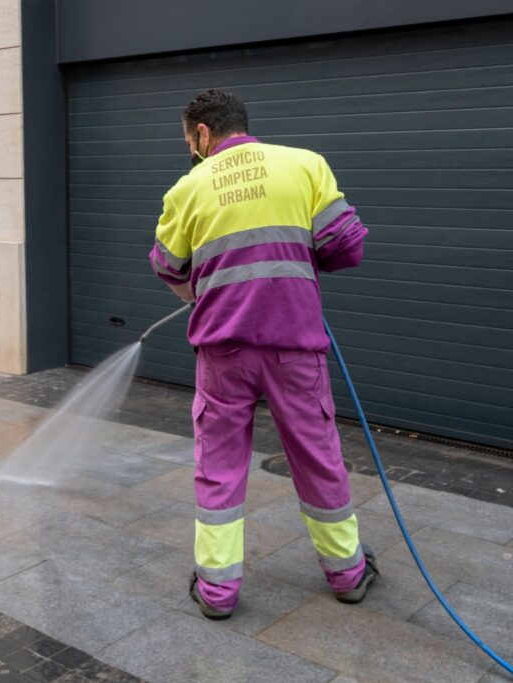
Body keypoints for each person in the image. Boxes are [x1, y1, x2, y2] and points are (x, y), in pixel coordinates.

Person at [149, 89, 376, 620]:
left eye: (189, 139)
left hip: (222, 353)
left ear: (202, 134)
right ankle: (347, 573)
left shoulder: (187, 189)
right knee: (318, 458)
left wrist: (202, 293)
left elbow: (167, 266)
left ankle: (217, 592)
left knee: (219, 468)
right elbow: (347, 248)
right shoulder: (305, 165)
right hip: (295, 347)